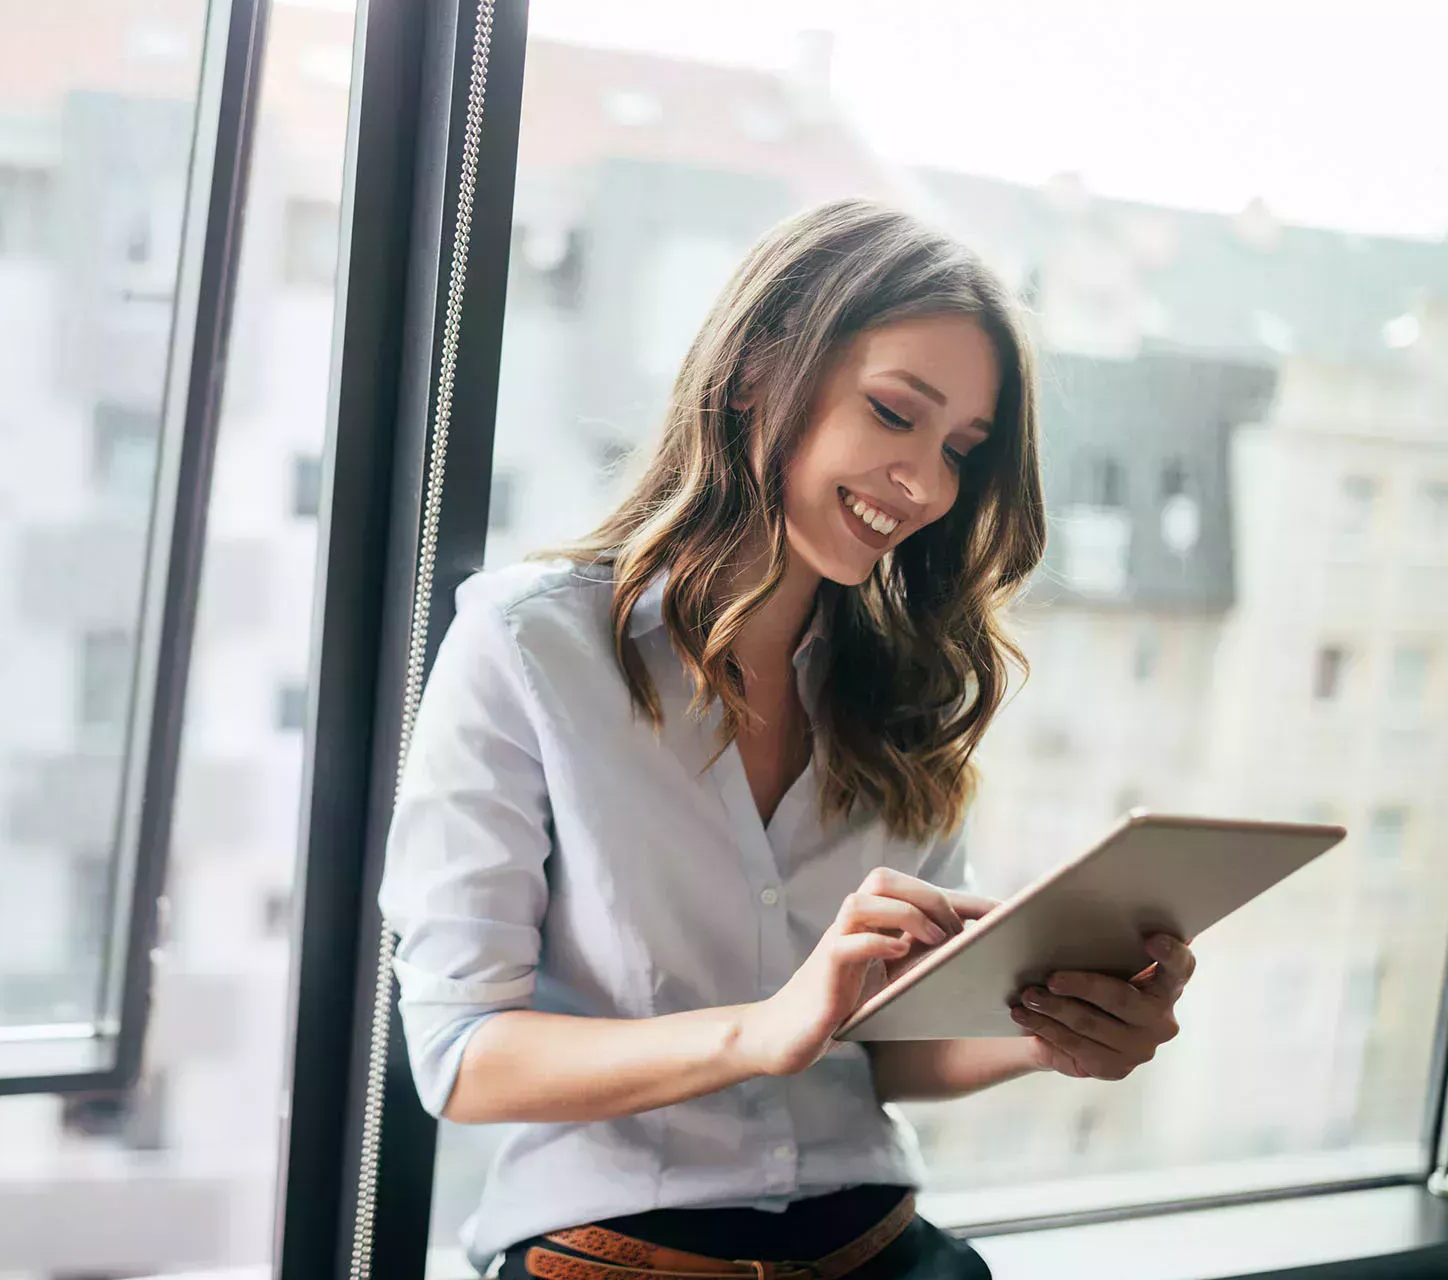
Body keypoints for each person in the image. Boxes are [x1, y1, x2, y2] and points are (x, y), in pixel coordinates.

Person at [378, 199, 1197, 1279]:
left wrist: (1054, 1032)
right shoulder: (528, 645)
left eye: (960, 448)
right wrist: (762, 1027)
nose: (928, 484)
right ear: (763, 367)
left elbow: (886, 1051)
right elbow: (461, 1054)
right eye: (895, 412)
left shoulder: (904, 687)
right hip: (615, 1252)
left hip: (886, 1248)